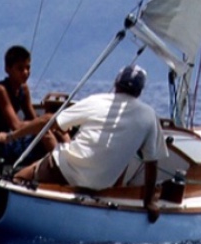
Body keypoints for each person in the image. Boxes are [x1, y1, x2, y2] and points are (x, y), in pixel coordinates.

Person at [15, 64, 165, 219]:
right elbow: (152, 163)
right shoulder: (149, 115)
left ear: (116, 84)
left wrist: (10, 136)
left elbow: (50, 121)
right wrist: (149, 202)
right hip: (99, 186)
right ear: (140, 91)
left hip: (63, 170)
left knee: (20, 177)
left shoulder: (96, 100)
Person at [0, 44, 61, 164]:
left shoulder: (24, 89)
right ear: (7, 69)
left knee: (55, 132)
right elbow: (16, 126)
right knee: (45, 136)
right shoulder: (0, 91)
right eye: (20, 69)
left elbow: (33, 119)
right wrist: (43, 123)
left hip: (9, 140)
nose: (25, 72)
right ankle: (60, 166)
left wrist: (52, 126)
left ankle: (68, 163)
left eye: (28, 68)